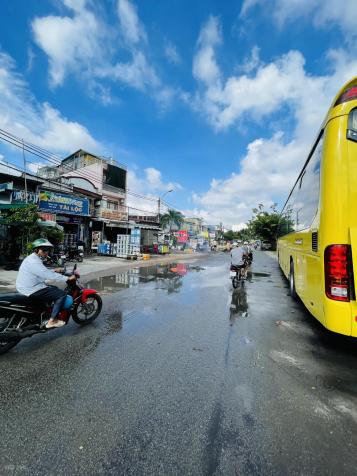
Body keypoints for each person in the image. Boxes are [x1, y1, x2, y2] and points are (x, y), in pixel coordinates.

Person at [16, 238, 76, 329]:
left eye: (47, 250)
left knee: (52, 288)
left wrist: (54, 270)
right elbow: (47, 275)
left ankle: (44, 311)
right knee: (61, 294)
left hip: (28, 285)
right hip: (31, 288)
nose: (46, 252)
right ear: (36, 250)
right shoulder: (34, 261)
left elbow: (41, 272)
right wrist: (67, 278)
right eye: (44, 250)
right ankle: (52, 320)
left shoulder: (33, 258)